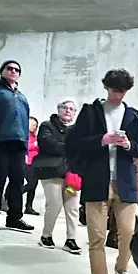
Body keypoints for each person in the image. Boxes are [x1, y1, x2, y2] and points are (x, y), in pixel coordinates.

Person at [65, 68, 138, 274]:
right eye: (113, 90)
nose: (117, 95)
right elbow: (74, 143)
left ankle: (122, 269)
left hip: (125, 181)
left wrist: (129, 144)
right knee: (97, 236)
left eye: (121, 91)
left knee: (128, 232)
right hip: (97, 179)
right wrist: (102, 140)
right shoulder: (91, 112)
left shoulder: (133, 115)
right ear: (106, 87)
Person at [0, 60, 34, 231]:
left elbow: (25, 124)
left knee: (17, 180)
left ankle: (14, 217)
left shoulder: (21, 96)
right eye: (9, 68)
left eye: (16, 70)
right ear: (2, 71)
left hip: (18, 145)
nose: (13, 71)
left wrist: (25, 146)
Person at [34, 99, 81, 254]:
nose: (68, 111)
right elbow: (47, 143)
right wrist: (70, 148)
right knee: (54, 204)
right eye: (65, 108)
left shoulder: (77, 130)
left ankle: (71, 239)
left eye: (72, 109)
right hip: (51, 171)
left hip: (71, 174)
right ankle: (46, 235)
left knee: (72, 206)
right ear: (58, 109)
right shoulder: (47, 125)